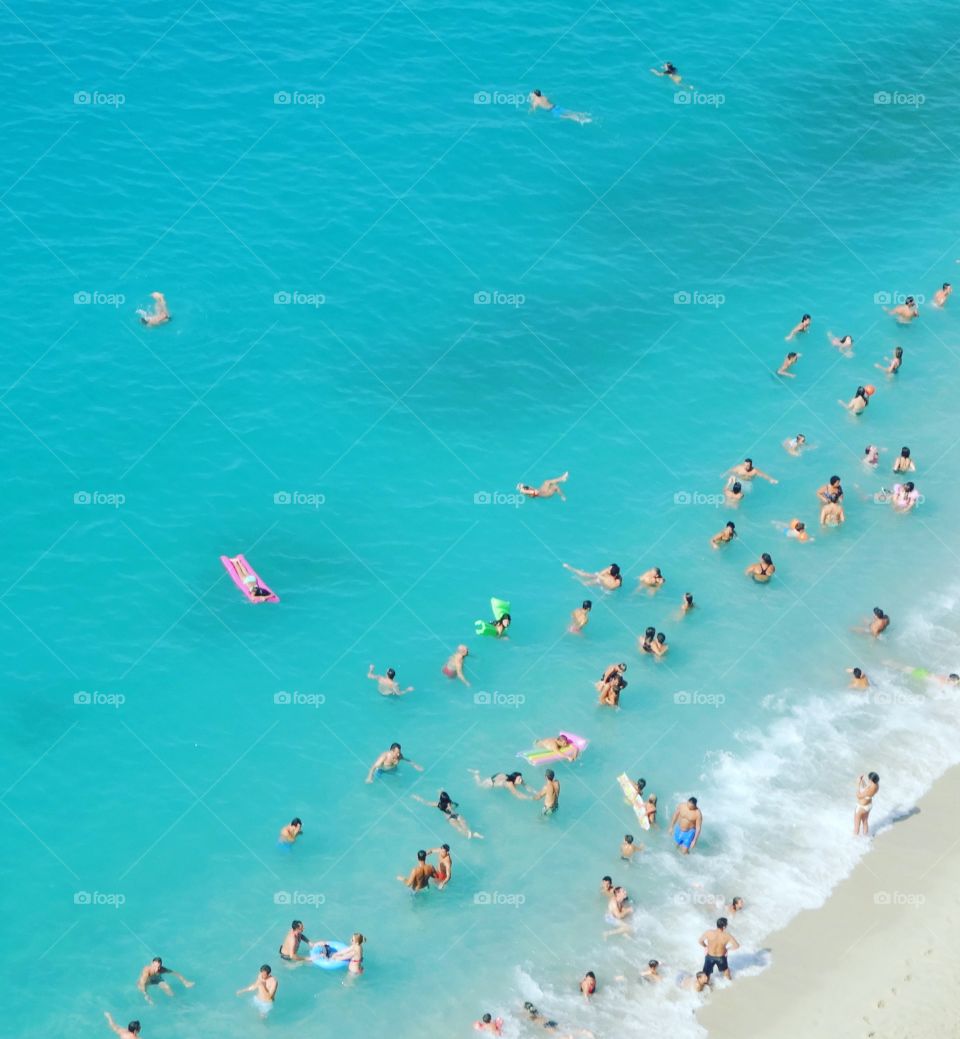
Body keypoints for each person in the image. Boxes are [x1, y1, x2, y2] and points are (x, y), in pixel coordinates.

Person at [411, 790, 483, 839]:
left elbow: (426, 802)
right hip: (456, 815)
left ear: (441, 799)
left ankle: (472, 834)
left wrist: (418, 798)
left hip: (449, 818)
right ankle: (471, 832)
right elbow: (457, 805)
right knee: (464, 824)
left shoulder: (438, 804)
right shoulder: (450, 803)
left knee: (459, 829)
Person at [854, 772, 880, 836]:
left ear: (871, 780)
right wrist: (862, 781)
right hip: (868, 806)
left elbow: (859, 796)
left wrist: (858, 785)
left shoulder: (870, 789)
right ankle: (866, 838)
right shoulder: (876, 785)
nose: (868, 780)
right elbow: (866, 788)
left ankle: (854, 842)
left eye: (869, 779)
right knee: (865, 822)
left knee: (857, 825)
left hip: (861, 807)